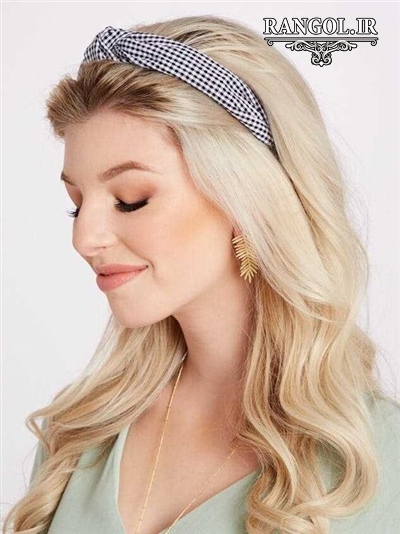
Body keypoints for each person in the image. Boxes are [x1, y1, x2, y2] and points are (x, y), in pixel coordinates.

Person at [4, 14, 400, 534]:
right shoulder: (79, 433)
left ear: (245, 199)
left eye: (130, 199)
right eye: (77, 204)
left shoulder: (373, 464)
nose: (84, 239)